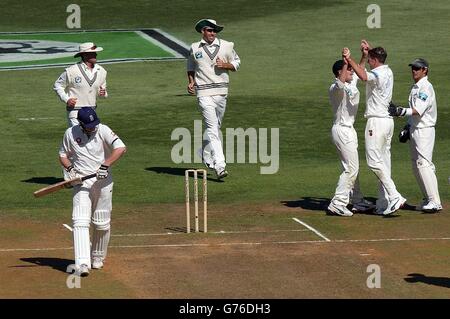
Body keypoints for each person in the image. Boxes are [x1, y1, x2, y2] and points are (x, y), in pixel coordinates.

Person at [59, 107, 126, 276]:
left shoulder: (103, 129)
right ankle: (82, 263)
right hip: (81, 182)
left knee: (101, 223)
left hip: (103, 182)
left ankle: (97, 258)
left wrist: (106, 165)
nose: (93, 127)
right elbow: (63, 155)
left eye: (94, 124)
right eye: (89, 125)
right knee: (80, 221)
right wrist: (70, 169)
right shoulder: (70, 133)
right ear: (80, 124)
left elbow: (120, 148)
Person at [344, 40, 406, 216]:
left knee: (373, 161)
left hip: (377, 122)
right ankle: (383, 202)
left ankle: (394, 196)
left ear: (375, 60)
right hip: (388, 122)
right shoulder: (388, 71)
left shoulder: (377, 73)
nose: (369, 63)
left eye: (370, 59)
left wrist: (349, 59)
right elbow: (371, 67)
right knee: (384, 162)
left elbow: (363, 76)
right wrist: (368, 52)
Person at [187, 19, 241, 179]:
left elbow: (237, 62)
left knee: (215, 127)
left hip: (221, 92)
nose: (213, 33)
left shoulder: (227, 45)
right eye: (210, 30)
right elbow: (190, 65)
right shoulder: (194, 47)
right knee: (212, 129)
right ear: (203, 31)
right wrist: (190, 81)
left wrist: (226, 65)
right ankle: (220, 165)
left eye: (214, 31)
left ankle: (204, 152)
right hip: (203, 93)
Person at [388, 58, 442, 213]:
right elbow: (415, 114)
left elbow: (419, 110)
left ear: (425, 70)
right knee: (416, 165)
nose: (414, 70)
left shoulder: (425, 88)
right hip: (415, 129)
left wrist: (400, 111)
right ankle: (428, 197)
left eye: (417, 68)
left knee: (424, 165)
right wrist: (407, 125)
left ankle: (434, 201)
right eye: (413, 68)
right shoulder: (416, 87)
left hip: (424, 130)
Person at [327, 50, 375, 217]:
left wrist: (363, 55)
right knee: (351, 169)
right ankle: (338, 203)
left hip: (350, 130)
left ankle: (357, 200)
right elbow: (340, 84)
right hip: (341, 130)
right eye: (348, 69)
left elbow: (359, 69)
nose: (351, 72)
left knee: (353, 168)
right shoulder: (335, 88)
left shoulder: (350, 82)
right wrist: (344, 61)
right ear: (340, 72)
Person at [54, 42, 108, 127]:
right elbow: (58, 85)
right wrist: (66, 99)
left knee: (91, 139)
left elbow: (103, 92)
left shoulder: (101, 71)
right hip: (75, 113)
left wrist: (103, 93)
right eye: (92, 53)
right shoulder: (72, 71)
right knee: (78, 139)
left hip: (92, 113)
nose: (96, 54)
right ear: (84, 55)